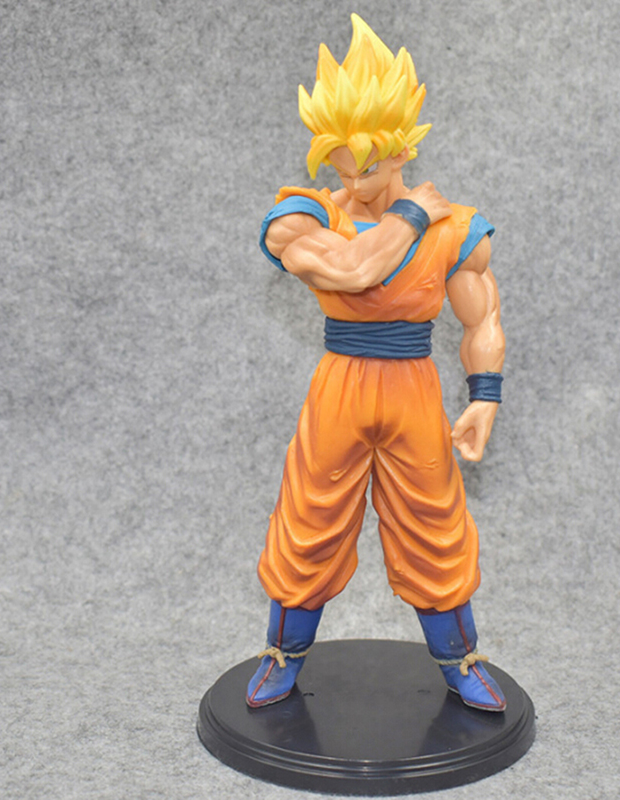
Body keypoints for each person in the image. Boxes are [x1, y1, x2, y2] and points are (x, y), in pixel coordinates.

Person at [248, 15, 508, 712]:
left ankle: (459, 659)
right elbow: (355, 271)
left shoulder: (456, 228)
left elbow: (482, 314)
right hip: (339, 384)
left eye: (366, 167)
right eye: (340, 167)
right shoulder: (304, 216)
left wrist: (484, 395)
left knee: (435, 525)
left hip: (413, 387)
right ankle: (283, 653)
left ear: (402, 152)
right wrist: (410, 217)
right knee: (308, 520)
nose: (353, 183)